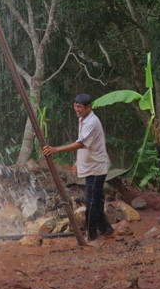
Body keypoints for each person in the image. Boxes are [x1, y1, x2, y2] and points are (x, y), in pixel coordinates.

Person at [42, 94, 114, 242]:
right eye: (75, 106)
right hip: (91, 165)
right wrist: (77, 162)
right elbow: (84, 143)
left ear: (89, 107)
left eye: (80, 107)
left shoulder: (91, 122)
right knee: (97, 199)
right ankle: (106, 229)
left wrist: (56, 150)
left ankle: (92, 234)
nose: (77, 109)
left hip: (96, 167)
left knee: (92, 201)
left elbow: (80, 143)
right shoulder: (83, 119)